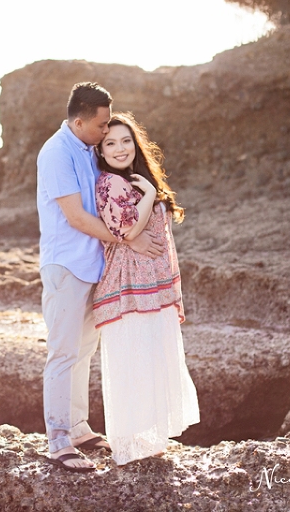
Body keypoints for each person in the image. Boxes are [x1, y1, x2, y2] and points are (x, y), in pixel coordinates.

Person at [36, 83, 163, 472]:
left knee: (84, 350)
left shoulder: (88, 150)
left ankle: (77, 427)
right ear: (79, 121)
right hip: (67, 266)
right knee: (63, 352)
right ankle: (58, 440)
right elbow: (75, 217)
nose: (107, 131)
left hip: (95, 265)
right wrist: (132, 239)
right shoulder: (57, 153)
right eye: (102, 124)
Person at [92, 111, 200, 465]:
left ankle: (151, 443)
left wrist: (151, 190)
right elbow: (126, 231)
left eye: (126, 140)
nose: (120, 148)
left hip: (153, 285)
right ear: (101, 151)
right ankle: (131, 446)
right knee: (132, 362)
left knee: (152, 359)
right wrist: (150, 194)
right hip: (128, 287)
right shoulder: (110, 183)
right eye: (111, 143)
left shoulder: (136, 179)